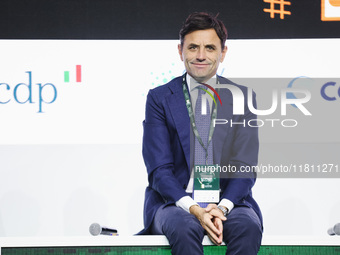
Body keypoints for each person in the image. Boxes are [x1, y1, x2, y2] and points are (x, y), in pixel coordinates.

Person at [139, 12, 263, 255]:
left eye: (210, 48)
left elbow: (245, 166)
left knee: (248, 226)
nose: (200, 56)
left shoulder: (243, 98)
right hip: (174, 203)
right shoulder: (160, 98)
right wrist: (195, 208)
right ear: (180, 50)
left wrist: (222, 208)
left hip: (229, 202)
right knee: (184, 226)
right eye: (193, 47)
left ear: (223, 52)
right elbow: (159, 170)